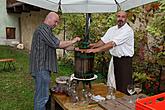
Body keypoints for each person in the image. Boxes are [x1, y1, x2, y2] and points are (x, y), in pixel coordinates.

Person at [29, 12, 81, 110]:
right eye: (55, 21)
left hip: (42, 68)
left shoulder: (46, 31)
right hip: (41, 68)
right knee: (42, 98)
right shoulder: (42, 30)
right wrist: (73, 40)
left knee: (41, 95)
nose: (56, 24)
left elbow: (61, 46)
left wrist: (75, 49)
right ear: (49, 18)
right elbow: (58, 44)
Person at [86, 11, 134, 94]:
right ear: (116, 17)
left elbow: (112, 43)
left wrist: (95, 50)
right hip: (114, 59)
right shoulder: (112, 29)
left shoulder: (127, 30)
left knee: (123, 87)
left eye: (123, 17)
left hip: (124, 61)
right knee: (112, 84)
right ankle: (114, 103)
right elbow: (103, 41)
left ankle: (124, 105)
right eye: (118, 16)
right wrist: (93, 45)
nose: (120, 19)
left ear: (126, 19)